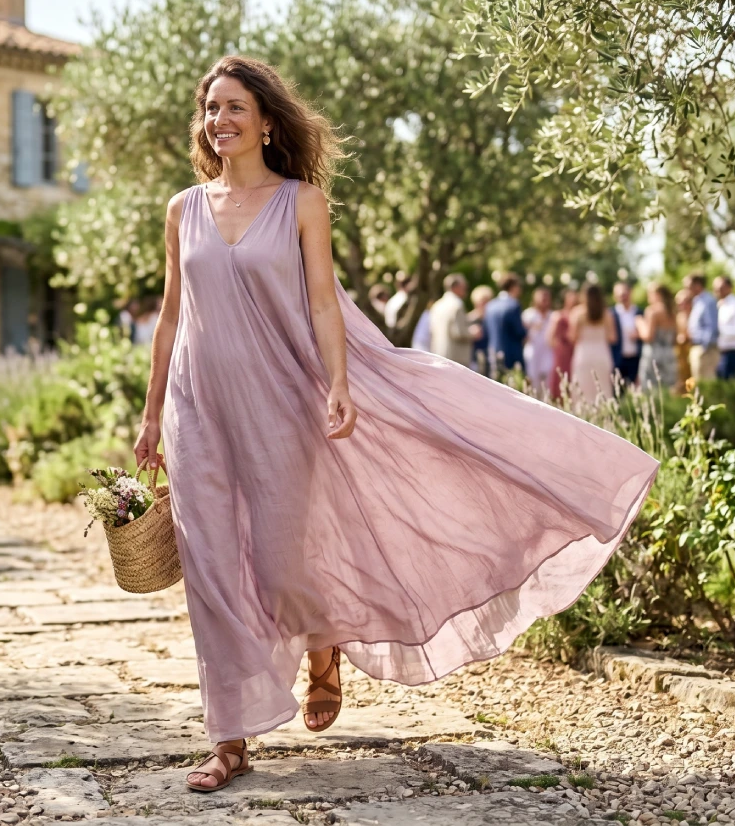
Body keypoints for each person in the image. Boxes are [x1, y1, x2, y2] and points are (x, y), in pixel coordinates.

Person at [130, 55, 658, 793]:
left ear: (267, 121)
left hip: (283, 399)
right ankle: (230, 740)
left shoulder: (301, 202)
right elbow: (171, 315)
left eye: (234, 108)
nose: (219, 121)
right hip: (197, 406)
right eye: (210, 108)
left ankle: (323, 649)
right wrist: (151, 414)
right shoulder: (183, 208)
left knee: (283, 560)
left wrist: (341, 384)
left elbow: (321, 305)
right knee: (213, 572)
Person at [567, 283, 617, 404]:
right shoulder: (607, 314)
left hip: (584, 354)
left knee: (582, 391)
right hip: (602, 354)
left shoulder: (577, 313)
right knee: (603, 389)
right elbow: (613, 338)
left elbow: (573, 337)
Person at [484, 273, 528, 378]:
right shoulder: (513, 304)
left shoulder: (490, 305)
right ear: (513, 287)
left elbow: (486, 330)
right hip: (512, 355)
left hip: (493, 353)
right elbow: (519, 332)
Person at [635, 283, 678, 390]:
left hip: (653, 354)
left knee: (650, 389)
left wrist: (639, 323)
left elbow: (648, 336)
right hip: (669, 354)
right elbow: (674, 338)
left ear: (657, 294)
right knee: (668, 389)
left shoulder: (652, 311)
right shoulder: (672, 312)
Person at [428, 273, 473, 366]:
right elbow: (458, 332)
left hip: (438, 354)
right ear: (455, 287)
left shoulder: (437, 305)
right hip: (456, 358)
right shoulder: (457, 305)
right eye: (464, 287)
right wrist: (473, 333)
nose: (466, 290)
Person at [686, 273, 720, 382]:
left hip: (705, 350)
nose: (687, 289)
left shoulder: (708, 301)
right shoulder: (698, 301)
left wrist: (704, 349)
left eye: (689, 286)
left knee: (706, 384)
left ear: (698, 285)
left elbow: (711, 327)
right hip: (699, 348)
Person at [522, 287, 554, 395]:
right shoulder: (528, 314)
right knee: (532, 383)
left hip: (548, 353)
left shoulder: (553, 316)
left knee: (547, 384)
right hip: (532, 353)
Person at [547, 287, 578, 400]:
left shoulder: (579, 315)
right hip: (562, 353)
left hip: (575, 352)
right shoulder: (558, 315)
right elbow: (550, 338)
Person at [611, 282, 642, 391]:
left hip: (636, 358)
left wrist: (638, 335)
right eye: (619, 295)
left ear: (630, 293)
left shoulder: (639, 312)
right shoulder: (611, 314)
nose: (622, 297)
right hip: (618, 359)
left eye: (624, 294)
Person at [467, 285, 494, 374]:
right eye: (483, 302)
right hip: (475, 357)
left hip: (489, 355)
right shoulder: (471, 318)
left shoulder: (491, 319)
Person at [673, 288, 694, 394]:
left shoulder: (696, 315)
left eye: (685, 302)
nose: (682, 305)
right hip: (681, 356)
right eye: (679, 303)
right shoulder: (678, 317)